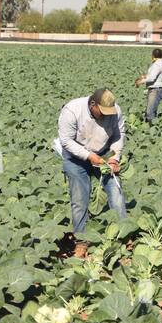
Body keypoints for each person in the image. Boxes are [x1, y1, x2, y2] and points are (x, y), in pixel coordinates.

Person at [57, 89, 127, 255]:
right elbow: (66, 141)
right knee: (79, 199)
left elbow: (119, 134)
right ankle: (81, 240)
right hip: (76, 158)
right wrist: (88, 156)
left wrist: (115, 157)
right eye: (102, 112)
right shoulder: (72, 111)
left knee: (116, 192)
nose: (105, 115)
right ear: (92, 104)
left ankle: (123, 235)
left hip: (103, 155)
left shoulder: (115, 111)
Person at [134, 47, 162, 121]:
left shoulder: (157, 64)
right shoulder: (159, 63)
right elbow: (153, 75)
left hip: (155, 90)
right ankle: (151, 126)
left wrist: (141, 81)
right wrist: (145, 76)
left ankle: (151, 127)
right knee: (151, 110)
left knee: (149, 112)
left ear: (153, 55)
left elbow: (152, 78)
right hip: (154, 89)